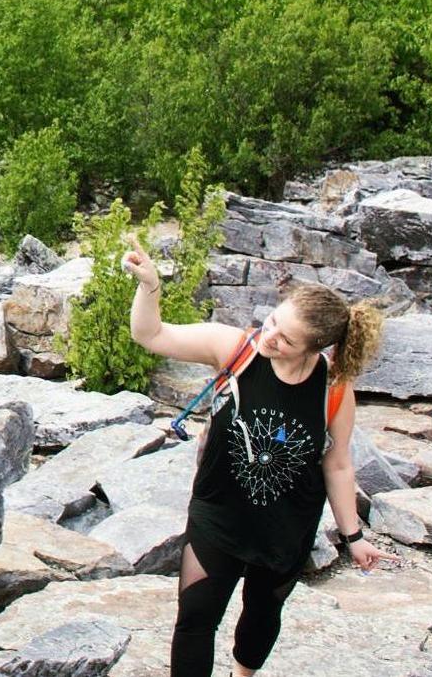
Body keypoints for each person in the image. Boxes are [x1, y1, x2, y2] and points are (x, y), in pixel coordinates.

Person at [122, 239, 396, 677]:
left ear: (314, 348)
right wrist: (150, 286)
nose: (269, 336)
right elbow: (151, 334)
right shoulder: (237, 349)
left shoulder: (334, 388)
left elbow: (338, 463)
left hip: (286, 527)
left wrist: (354, 536)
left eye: (285, 339)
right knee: (195, 618)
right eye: (271, 322)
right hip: (218, 514)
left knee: (262, 617)